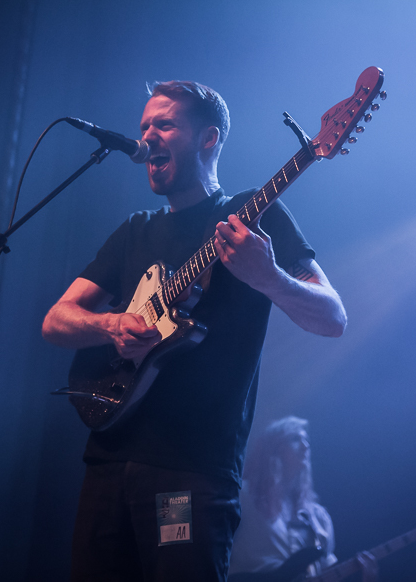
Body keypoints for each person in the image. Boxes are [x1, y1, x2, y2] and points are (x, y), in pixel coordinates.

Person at [42, 80, 347, 581]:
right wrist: (112, 324)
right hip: (107, 461)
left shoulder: (256, 212)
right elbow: (57, 320)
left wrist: (268, 276)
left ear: (209, 138)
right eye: (144, 126)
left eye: (164, 124)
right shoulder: (135, 230)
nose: (147, 136)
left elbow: (333, 317)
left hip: (189, 471)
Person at [227, 417, 379, 581]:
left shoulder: (318, 517)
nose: (305, 446)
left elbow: (327, 571)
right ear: (273, 448)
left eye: (306, 440)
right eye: (295, 439)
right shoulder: (243, 495)